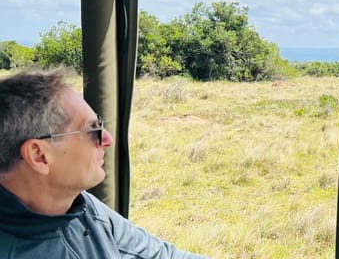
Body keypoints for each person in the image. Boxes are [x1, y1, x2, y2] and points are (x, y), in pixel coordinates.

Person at [0, 68, 208, 258]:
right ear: (39, 156)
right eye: (92, 130)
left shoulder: (83, 208)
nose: (108, 139)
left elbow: (162, 255)